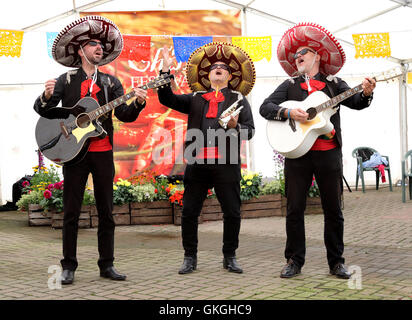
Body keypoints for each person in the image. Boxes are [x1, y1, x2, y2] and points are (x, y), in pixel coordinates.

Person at [33, 16, 148, 284]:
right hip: (73, 153)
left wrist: (139, 103)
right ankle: (68, 267)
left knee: (106, 211)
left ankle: (107, 265)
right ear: (80, 50)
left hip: (102, 152)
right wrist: (47, 97)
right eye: (94, 44)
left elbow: (125, 114)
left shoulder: (111, 83)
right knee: (71, 211)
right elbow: (45, 112)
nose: (100, 48)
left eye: (102, 46)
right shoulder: (66, 79)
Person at [260, 23, 376, 279]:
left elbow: (356, 103)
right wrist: (289, 112)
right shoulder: (289, 85)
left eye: (303, 52)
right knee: (294, 209)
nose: (297, 57)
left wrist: (366, 93)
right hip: (297, 154)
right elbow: (265, 107)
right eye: (294, 55)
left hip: (328, 154)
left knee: (333, 210)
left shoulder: (334, 84)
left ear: (317, 55)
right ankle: (294, 261)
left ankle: (337, 262)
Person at [158, 42, 255, 274]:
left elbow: (250, 131)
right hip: (198, 164)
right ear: (209, 76)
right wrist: (164, 70)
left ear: (229, 76)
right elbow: (166, 98)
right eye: (214, 67)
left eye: (223, 67)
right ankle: (189, 257)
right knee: (190, 212)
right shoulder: (195, 98)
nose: (218, 68)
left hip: (226, 164)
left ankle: (229, 256)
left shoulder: (239, 99)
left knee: (232, 212)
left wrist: (236, 126)